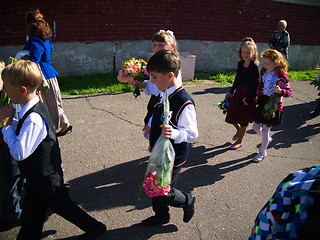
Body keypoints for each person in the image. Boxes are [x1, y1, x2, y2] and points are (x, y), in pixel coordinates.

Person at [0, 60, 106, 240]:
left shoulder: (34, 117)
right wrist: (13, 123)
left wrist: (6, 126)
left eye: (7, 87)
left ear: (22, 90)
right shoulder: (31, 107)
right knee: (33, 210)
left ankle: (96, 228)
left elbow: (19, 152)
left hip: (46, 176)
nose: (4, 91)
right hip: (37, 174)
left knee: (62, 206)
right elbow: (26, 132)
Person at [141, 50, 198, 226]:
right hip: (160, 152)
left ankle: (187, 200)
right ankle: (161, 216)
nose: (152, 81)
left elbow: (192, 133)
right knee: (154, 185)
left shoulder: (184, 102)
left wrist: (174, 133)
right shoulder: (163, 92)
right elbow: (157, 113)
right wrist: (152, 138)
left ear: (170, 75)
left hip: (173, 156)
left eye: (155, 77)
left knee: (163, 190)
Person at [118, 30, 182, 139]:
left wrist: (151, 124)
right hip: (156, 101)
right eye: (154, 44)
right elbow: (154, 84)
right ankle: (154, 145)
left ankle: (158, 147)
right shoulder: (158, 62)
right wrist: (142, 85)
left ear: (171, 46)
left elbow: (164, 96)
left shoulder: (168, 66)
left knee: (158, 129)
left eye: (161, 45)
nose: (156, 47)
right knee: (153, 131)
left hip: (164, 103)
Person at [23, 9, 72, 136]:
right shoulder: (45, 38)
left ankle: (52, 128)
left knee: (49, 103)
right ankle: (64, 125)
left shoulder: (35, 40)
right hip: (50, 73)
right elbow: (51, 49)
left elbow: (35, 58)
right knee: (55, 102)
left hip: (42, 75)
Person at [252, 49, 292, 162]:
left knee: (265, 130)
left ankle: (262, 152)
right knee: (255, 127)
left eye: (268, 63)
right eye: (264, 63)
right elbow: (259, 87)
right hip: (263, 102)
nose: (265, 65)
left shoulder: (282, 77)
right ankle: (267, 140)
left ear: (277, 63)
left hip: (273, 105)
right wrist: (255, 98)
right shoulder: (264, 73)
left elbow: (289, 92)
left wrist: (280, 91)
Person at [225, 37, 259, 150]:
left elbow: (255, 85)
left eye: (248, 52)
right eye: (243, 52)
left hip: (248, 95)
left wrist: (249, 99)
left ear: (253, 52)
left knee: (244, 119)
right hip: (239, 92)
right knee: (231, 114)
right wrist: (231, 91)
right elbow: (237, 78)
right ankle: (239, 131)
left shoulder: (255, 67)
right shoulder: (240, 64)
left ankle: (240, 140)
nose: (245, 54)